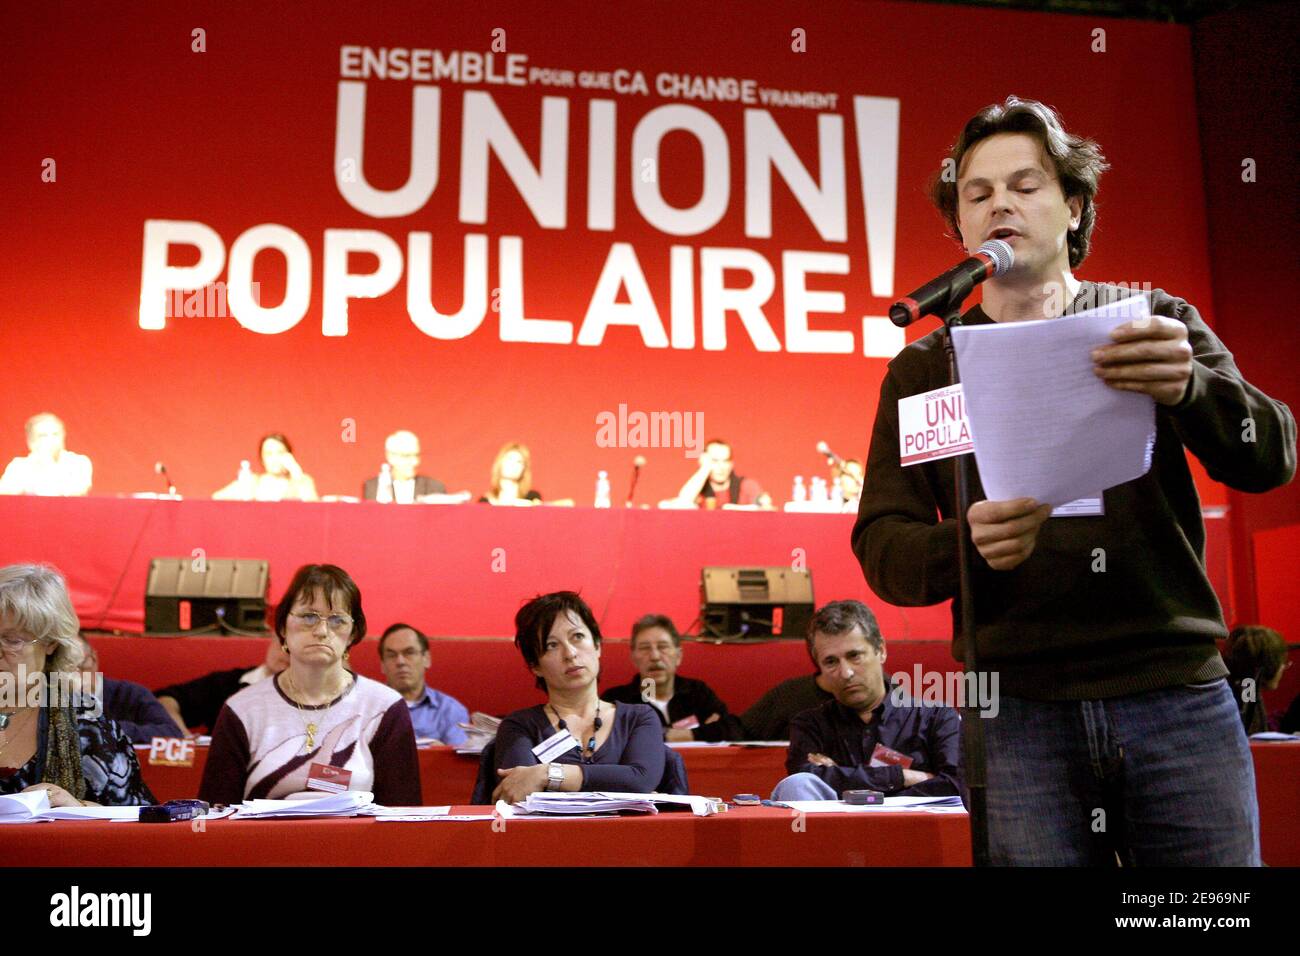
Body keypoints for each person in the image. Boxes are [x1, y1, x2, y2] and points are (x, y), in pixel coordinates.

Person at [853, 96, 1296, 865]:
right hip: (1016, 709)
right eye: (977, 193)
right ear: (957, 226)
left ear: (1075, 205)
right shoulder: (926, 369)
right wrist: (964, 543)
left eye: (1025, 186)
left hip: (1174, 693)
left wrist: (1191, 386)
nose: (1000, 204)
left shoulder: (1151, 319)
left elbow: (1271, 455)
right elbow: (883, 545)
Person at [199, 564, 420, 804]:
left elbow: (402, 818)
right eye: (308, 617)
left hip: (355, 842)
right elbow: (215, 815)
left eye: (337, 620)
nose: (322, 631)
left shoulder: (385, 708)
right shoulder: (242, 709)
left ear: (353, 634)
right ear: (282, 626)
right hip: (263, 842)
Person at [771, 600, 961, 801]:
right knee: (798, 784)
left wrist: (843, 777)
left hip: (917, 829)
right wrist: (900, 776)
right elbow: (803, 780)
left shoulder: (936, 718)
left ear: (881, 650)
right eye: (831, 662)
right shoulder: (811, 726)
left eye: (855, 656)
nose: (846, 673)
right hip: (835, 831)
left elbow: (955, 784)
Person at [0, 564, 153, 806]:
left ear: (50, 643)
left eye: (12, 640)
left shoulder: (84, 719)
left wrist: (77, 809)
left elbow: (134, 820)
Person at [492, 592, 665, 802]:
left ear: (598, 645)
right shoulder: (519, 726)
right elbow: (521, 793)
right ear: (535, 666)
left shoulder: (639, 717)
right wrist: (618, 782)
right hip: (550, 835)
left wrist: (547, 774)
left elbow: (641, 779)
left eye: (578, 636)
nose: (570, 653)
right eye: (551, 645)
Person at [602, 614, 744, 741]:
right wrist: (703, 732)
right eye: (645, 648)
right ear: (633, 658)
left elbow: (733, 730)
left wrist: (681, 735)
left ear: (678, 656)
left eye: (663, 647)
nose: (655, 657)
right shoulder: (617, 700)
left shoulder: (697, 693)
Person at [153, 639, 289, 734]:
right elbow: (166, 699)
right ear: (273, 636)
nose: (286, 652)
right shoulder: (227, 683)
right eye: (282, 642)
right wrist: (182, 735)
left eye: (293, 647)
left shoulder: (308, 698)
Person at [76, 637, 185, 743]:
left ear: (93, 660)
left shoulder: (129, 694)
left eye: (78, 666)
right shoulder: (61, 698)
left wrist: (113, 729)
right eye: (61, 667)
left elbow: (172, 733)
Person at [377, 622, 470, 745]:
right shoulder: (367, 707)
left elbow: (455, 760)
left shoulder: (450, 710)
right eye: (391, 655)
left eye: (409, 652)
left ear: (426, 659)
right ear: (382, 665)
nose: (400, 661)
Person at [0, 413, 93, 496]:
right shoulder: (18, 466)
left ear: (63, 436)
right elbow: (5, 494)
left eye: (55, 434)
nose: (51, 440)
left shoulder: (79, 462)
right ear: (31, 442)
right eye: (43, 435)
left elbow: (76, 491)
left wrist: (49, 464)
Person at [1223, 625, 1290, 735]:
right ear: (1269, 663)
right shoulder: (1248, 690)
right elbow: (1253, 738)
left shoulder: (1242, 686)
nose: (1283, 667)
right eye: (1282, 662)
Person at [213, 433, 318, 501]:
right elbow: (216, 498)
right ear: (262, 459)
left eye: (280, 453)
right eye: (269, 454)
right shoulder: (253, 482)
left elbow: (314, 508)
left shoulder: (302, 481)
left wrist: (296, 472)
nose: (275, 458)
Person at [675, 438, 773, 509]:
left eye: (725, 461)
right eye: (715, 461)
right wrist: (705, 468)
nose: (721, 467)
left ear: (731, 464)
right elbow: (684, 501)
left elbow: (765, 510)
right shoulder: (698, 489)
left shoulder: (747, 485)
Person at [738, 672, 834, 741]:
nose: (846, 673)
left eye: (850, 657)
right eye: (831, 661)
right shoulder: (791, 694)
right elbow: (741, 733)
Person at [362, 430, 447, 502]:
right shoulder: (374, 487)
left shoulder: (434, 488)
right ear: (390, 456)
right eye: (407, 456)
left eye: (416, 455)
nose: (415, 462)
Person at [479, 442, 543, 505]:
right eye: (509, 459)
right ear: (500, 463)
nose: (512, 464)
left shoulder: (532, 497)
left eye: (519, 462)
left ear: (524, 469)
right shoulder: (485, 501)